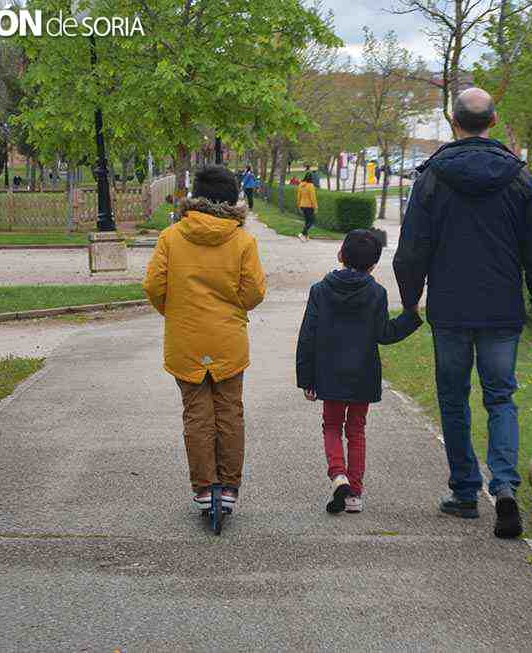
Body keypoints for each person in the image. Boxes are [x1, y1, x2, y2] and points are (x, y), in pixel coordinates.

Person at [393, 87, 532, 540]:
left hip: (450, 308)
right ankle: (504, 486)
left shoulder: (432, 177)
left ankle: (466, 492)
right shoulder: (518, 179)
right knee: (500, 398)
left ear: (454, 121)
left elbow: (411, 248)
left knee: (453, 398)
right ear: (493, 120)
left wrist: (411, 299)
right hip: (501, 308)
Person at [143, 165, 267, 515]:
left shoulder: (172, 236)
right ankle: (228, 486)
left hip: (186, 340)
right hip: (228, 340)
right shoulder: (242, 240)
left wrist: (176, 310)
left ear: (195, 196)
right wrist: (232, 308)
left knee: (196, 415)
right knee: (230, 413)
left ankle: (202, 487)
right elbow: (254, 292)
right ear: (232, 198)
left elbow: (154, 286)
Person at [297, 229, 422, 514]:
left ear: (341, 254)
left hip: (329, 374)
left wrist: (306, 377)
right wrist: (410, 317)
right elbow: (384, 334)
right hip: (362, 374)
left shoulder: (320, 290)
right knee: (356, 430)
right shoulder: (376, 293)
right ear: (374, 264)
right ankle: (354, 493)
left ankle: (337, 474)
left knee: (331, 426)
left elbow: (308, 335)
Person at [296, 172, 318, 242]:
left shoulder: (300, 185)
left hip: (302, 205)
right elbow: (313, 198)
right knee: (311, 221)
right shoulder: (311, 186)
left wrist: (298, 205)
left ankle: (306, 237)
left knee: (307, 221)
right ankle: (302, 233)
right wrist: (315, 207)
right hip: (309, 206)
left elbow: (298, 196)